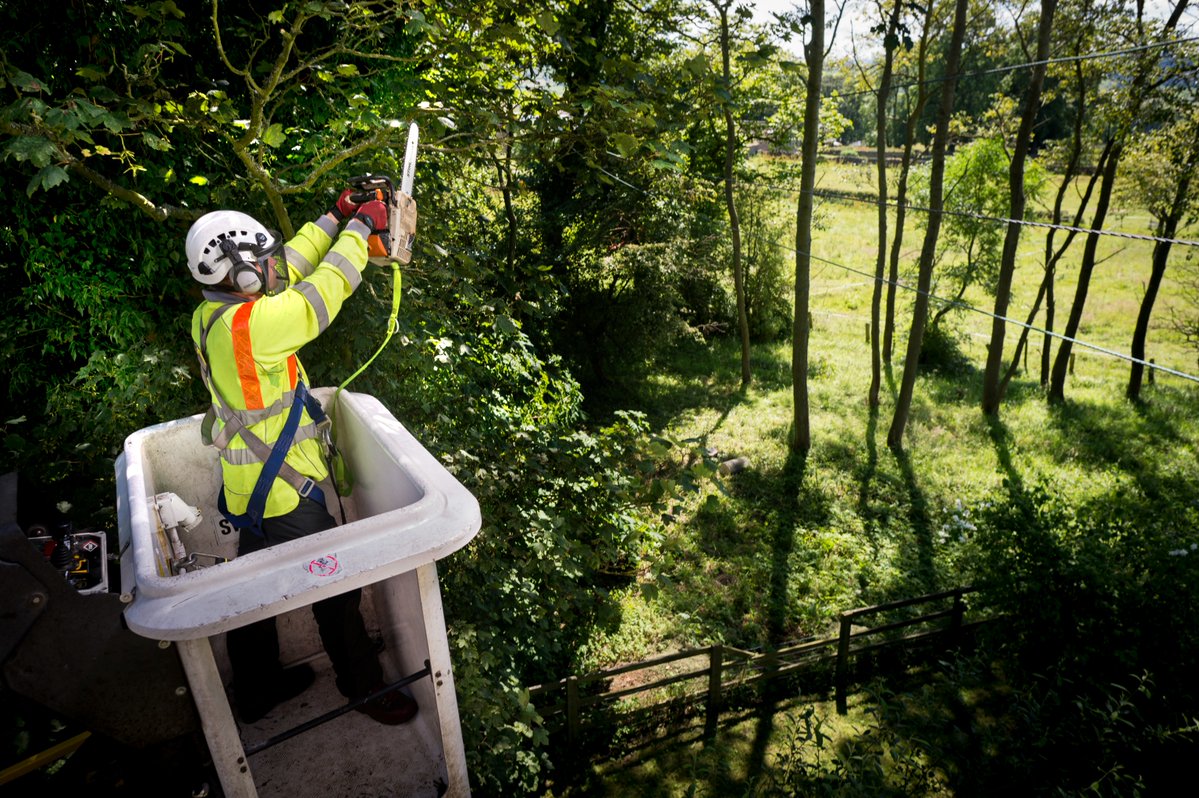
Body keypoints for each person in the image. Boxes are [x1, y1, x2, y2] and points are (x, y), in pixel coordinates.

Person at [185, 191, 416, 726]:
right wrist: (360, 229)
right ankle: (363, 687)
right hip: (287, 492)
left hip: (248, 488)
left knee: (252, 593)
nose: (273, 268)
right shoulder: (254, 327)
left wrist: (335, 214)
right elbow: (321, 292)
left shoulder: (211, 314)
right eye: (262, 264)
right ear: (242, 277)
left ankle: (257, 689)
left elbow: (290, 266)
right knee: (336, 592)